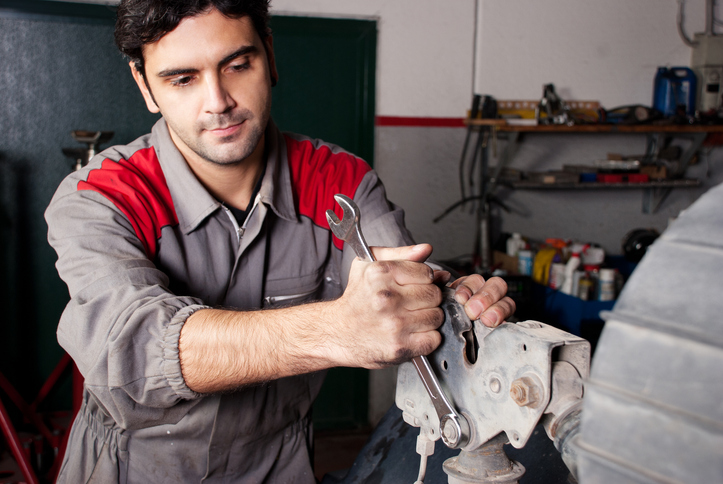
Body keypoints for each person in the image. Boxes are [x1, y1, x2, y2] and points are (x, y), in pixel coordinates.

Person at [44, 0, 515, 482]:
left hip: (279, 467)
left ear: (269, 55)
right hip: (131, 468)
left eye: (237, 65)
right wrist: (335, 329)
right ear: (145, 84)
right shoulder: (101, 196)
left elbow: (397, 288)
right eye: (182, 79)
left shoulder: (340, 181)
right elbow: (137, 348)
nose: (218, 101)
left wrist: (454, 305)